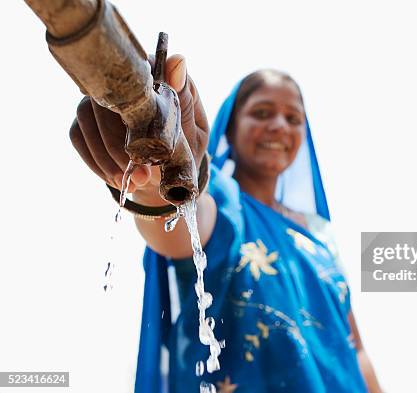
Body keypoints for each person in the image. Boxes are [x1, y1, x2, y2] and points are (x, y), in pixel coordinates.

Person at [70, 55, 382, 393]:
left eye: (293, 118)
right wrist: (154, 182)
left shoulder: (318, 234)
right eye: (262, 113)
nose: (279, 125)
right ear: (230, 128)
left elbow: (356, 347)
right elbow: (181, 218)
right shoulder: (218, 196)